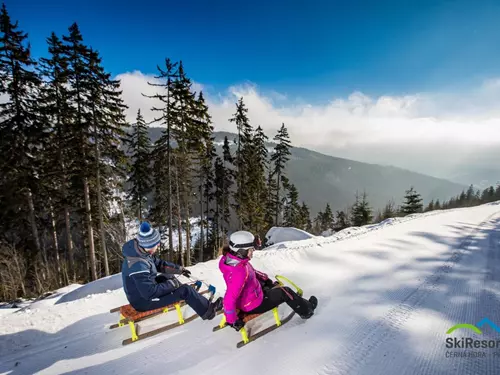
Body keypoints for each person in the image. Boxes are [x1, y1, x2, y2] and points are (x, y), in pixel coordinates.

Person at [121, 221, 223, 320]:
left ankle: (184, 296)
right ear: (150, 245)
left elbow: (159, 264)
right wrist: (172, 285)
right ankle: (208, 311)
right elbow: (149, 293)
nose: (158, 245)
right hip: (144, 302)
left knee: (168, 277)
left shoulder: (141, 252)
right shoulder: (138, 264)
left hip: (145, 292)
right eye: (157, 244)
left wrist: (179, 270)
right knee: (185, 290)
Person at [219, 230, 317, 331]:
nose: (253, 252)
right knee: (285, 292)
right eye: (251, 250)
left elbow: (251, 272)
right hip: (253, 304)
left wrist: (265, 279)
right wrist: (232, 321)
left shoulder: (234, 261)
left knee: (270, 286)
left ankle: (271, 289)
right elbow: (229, 298)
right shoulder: (239, 272)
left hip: (250, 294)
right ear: (241, 252)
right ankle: (307, 311)